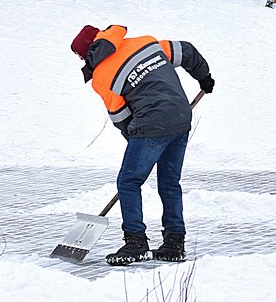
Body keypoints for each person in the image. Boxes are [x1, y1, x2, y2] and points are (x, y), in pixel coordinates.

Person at [71, 24, 214, 265]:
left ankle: (135, 242)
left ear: (86, 52)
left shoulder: (102, 77)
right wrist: (204, 77)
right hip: (181, 118)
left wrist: (143, 144)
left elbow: (121, 117)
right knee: (169, 182)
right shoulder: (145, 42)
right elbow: (187, 51)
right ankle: (174, 243)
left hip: (150, 125)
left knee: (129, 181)